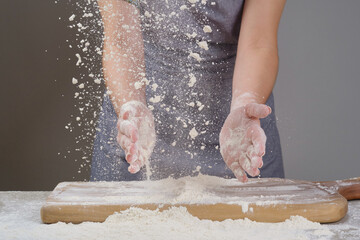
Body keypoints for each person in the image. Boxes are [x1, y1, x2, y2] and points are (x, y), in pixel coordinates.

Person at [91, 0, 286, 182]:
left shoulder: (242, 135)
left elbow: (259, 42)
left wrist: (244, 104)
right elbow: (121, 39)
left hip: (241, 138)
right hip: (136, 134)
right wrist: (131, 105)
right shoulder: (134, 127)